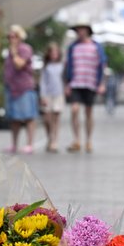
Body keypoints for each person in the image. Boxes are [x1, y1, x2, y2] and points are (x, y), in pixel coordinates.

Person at [64, 17, 107, 153]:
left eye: (82, 29)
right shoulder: (73, 47)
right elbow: (67, 66)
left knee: (89, 112)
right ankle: (77, 139)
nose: (80, 32)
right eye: (78, 29)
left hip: (90, 82)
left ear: (87, 30)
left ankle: (88, 140)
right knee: (74, 109)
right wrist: (67, 83)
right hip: (76, 82)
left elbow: (103, 65)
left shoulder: (96, 46)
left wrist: (102, 83)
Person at [4, 24, 38, 154]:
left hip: (24, 88)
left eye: (14, 36)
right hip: (12, 88)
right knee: (14, 118)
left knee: (28, 116)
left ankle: (30, 144)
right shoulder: (9, 51)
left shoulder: (25, 49)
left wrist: (13, 52)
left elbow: (19, 65)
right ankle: (14, 144)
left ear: (20, 37)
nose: (11, 39)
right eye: (9, 36)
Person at [39, 42, 65, 153]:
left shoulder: (62, 66)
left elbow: (64, 80)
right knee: (47, 119)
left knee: (56, 118)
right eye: (52, 52)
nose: (54, 54)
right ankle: (49, 136)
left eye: (56, 52)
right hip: (47, 95)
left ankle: (54, 141)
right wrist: (42, 96)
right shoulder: (46, 66)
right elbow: (42, 82)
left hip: (58, 94)